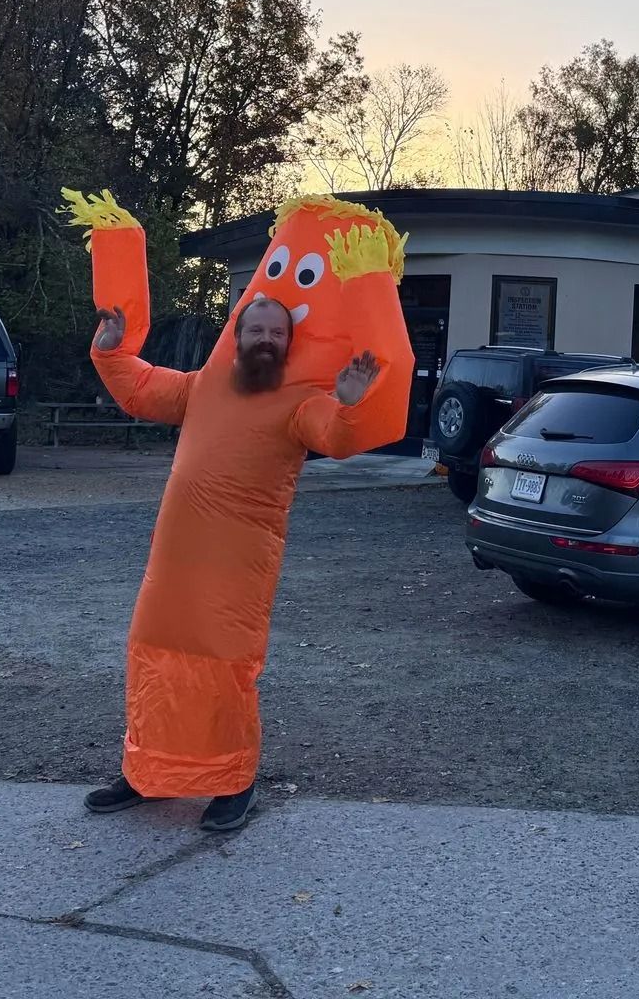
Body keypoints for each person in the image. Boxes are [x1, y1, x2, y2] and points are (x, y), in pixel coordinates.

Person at [63, 188, 414, 832]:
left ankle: (232, 781)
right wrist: (110, 350)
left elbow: (338, 436)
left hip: (238, 562)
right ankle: (151, 772)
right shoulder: (204, 386)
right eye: (253, 328)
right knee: (154, 648)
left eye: (276, 333)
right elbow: (141, 389)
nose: (263, 339)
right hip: (176, 554)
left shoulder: (302, 400)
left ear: (288, 342)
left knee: (224, 666)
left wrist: (353, 399)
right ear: (239, 332)